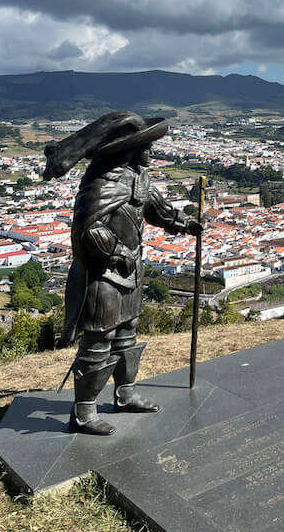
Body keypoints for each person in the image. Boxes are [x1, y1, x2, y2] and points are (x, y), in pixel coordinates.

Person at [43, 111, 203, 435]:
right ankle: (84, 412)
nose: (152, 151)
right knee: (99, 341)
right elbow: (87, 230)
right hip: (103, 277)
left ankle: (125, 393)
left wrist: (185, 223)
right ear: (128, 149)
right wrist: (115, 253)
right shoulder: (101, 183)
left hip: (132, 273)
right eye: (147, 145)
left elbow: (157, 208)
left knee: (127, 334)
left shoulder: (138, 178)